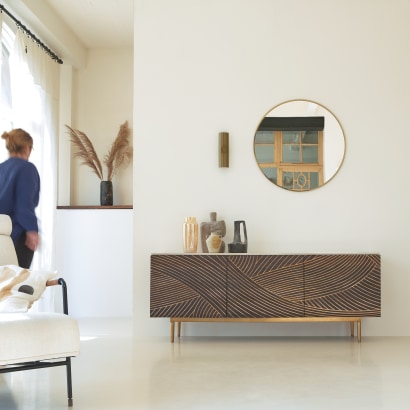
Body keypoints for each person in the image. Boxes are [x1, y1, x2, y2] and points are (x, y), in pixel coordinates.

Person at [0, 128, 40, 268]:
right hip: (17, 236)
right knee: (19, 279)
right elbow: (24, 204)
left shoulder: (1, 168)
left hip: (2, 236)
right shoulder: (27, 169)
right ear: (27, 147)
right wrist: (32, 230)